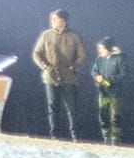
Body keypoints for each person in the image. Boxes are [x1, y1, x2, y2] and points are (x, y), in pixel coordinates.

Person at [32, 8, 87, 141]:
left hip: (69, 77)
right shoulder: (46, 35)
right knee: (53, 108)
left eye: (55, 19)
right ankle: (55, 135)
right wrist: (44, 66)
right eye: (52, 19)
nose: (52, 21)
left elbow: (83, 55)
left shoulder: (74, 36)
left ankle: (76, 136)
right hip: (51, 77)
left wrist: (74, 66)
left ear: (63, 20)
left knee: (72, 109)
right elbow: (36, 53)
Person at [93, 36, 127, 145]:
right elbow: (94, 71)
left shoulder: (120, 59)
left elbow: (124, 75)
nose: (100, 51)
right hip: (103, 92)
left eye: (102, 48)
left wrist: (109, 80)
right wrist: (97, 77)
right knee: (103, 114)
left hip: (116, 93)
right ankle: (106, 136)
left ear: (109, 48)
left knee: (115, 115)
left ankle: (115, 138)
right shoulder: (99, 59)